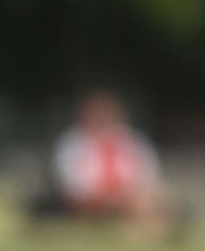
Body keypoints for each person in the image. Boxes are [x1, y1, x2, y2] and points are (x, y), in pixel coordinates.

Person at [48, 89, 175, 235]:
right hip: (89, 201)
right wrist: (104, 197)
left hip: (129, 198)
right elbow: (70, 183)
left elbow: (147, 175)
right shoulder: (72, 142)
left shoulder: (133, 141)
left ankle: (147, 228)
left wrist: (126, 195)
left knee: (154, 196)